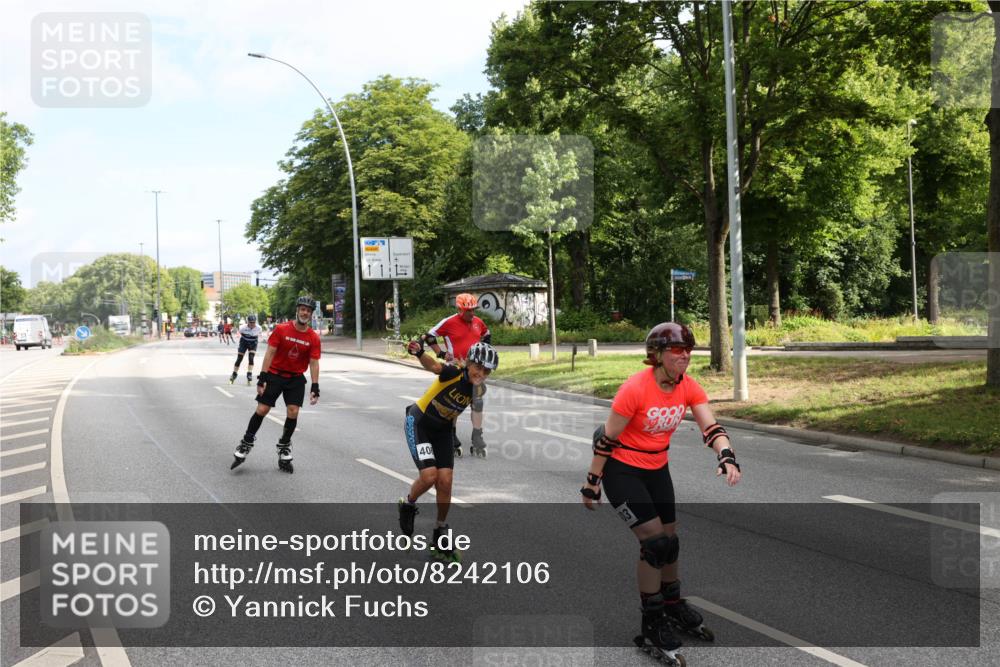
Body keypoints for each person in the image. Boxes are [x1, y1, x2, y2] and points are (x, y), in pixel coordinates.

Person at [580, 322, 741, 662]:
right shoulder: (635, 389)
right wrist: (592, 483)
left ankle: (672, 604)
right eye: (676, 351)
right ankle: (652, 621)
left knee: (671, 541)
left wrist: (726, 455)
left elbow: (711, 427)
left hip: (657, 469)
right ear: (656, 355)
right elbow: (606, 439)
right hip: (622, 470)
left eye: (688, 351)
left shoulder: (689, 387)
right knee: (654, 543)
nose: (684, 357)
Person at [397, 338, 498, 562]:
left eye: (486, 371)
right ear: (469, 363)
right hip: (419, 423)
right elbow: (433, 366)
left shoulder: (480, 389)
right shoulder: (453, 373)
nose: (481, 373)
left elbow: (476, 412)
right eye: (478, 367)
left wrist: (477, 434)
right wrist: (419, 352)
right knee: (429, 476)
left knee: (445, 480)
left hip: (443, 431)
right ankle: (408, 505)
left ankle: (440, 531)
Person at [230, 297, 321, 473]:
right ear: (297, 310)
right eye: (302, 309)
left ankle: (284, 445)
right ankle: (246, 442)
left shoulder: (313, 337)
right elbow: (270, 353)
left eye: (308, 310)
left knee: (293, 411)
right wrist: (262, 377)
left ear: (311, 314)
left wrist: (315, 386)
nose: (305, 313)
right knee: (262, 409)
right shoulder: (282, 329)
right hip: (275, 375)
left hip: (295, 378)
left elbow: (314, 362)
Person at [422, 293, 492, 457]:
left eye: (473, 310)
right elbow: (429, 337)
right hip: (456, 369)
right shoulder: (449, 322)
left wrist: (483, 353)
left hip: (474, 370)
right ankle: (451, 436)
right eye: (468, 311)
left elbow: (487, 334)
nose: (471, 313)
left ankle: (477, 436)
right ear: (459, 309)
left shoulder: (477, 322)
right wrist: (441, 354)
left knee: (477, 403)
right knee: (455, 404)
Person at [230, 314, 263, 385]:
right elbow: (240, 334)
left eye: (253, 322)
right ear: (247, 322)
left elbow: (259, 336)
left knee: (251, 358)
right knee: (239, 359)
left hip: (253, 343)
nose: (252, 324)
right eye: (250, 322)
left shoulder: (259, 328)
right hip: (244, 342)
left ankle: (249, 373)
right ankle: (234, 373)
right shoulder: (242, 327)